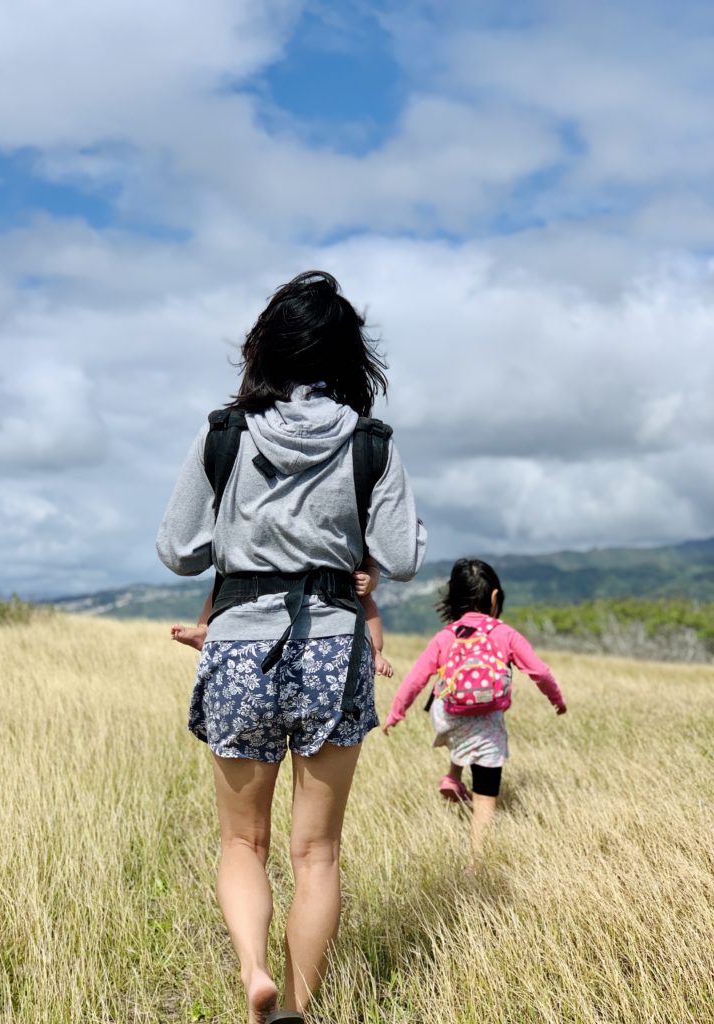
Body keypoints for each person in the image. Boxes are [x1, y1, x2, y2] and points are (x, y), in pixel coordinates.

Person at [156, 270, 425, 1024]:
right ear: (347, 356)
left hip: (240, 643)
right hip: (335, 650)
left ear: (266, 347)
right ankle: (297, 1011)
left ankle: (253, 972)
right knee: (318, 854)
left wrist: (245, 542)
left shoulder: (224, 434)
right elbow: (400, 555)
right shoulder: (370, 444)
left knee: (243, 843)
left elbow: (177, 550)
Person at [383, 559, 566, 865]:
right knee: (485, 791)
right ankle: (477, 860)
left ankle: (453, 776)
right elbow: (540, 672)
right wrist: (556, 699)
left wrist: (395, 714)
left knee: (459, 723)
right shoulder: (504, 634)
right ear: (495, 598)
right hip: (485, 721)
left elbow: (416, 679)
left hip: (446, 716)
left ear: (453, 598)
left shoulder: (446, 636)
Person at [170, 556, 394, 677]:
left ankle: (376, 652)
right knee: (225, 584)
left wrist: (371, 578)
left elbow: (372, 564)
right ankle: (204, 629)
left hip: (343, 586)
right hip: (250, 586)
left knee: (367, 605)